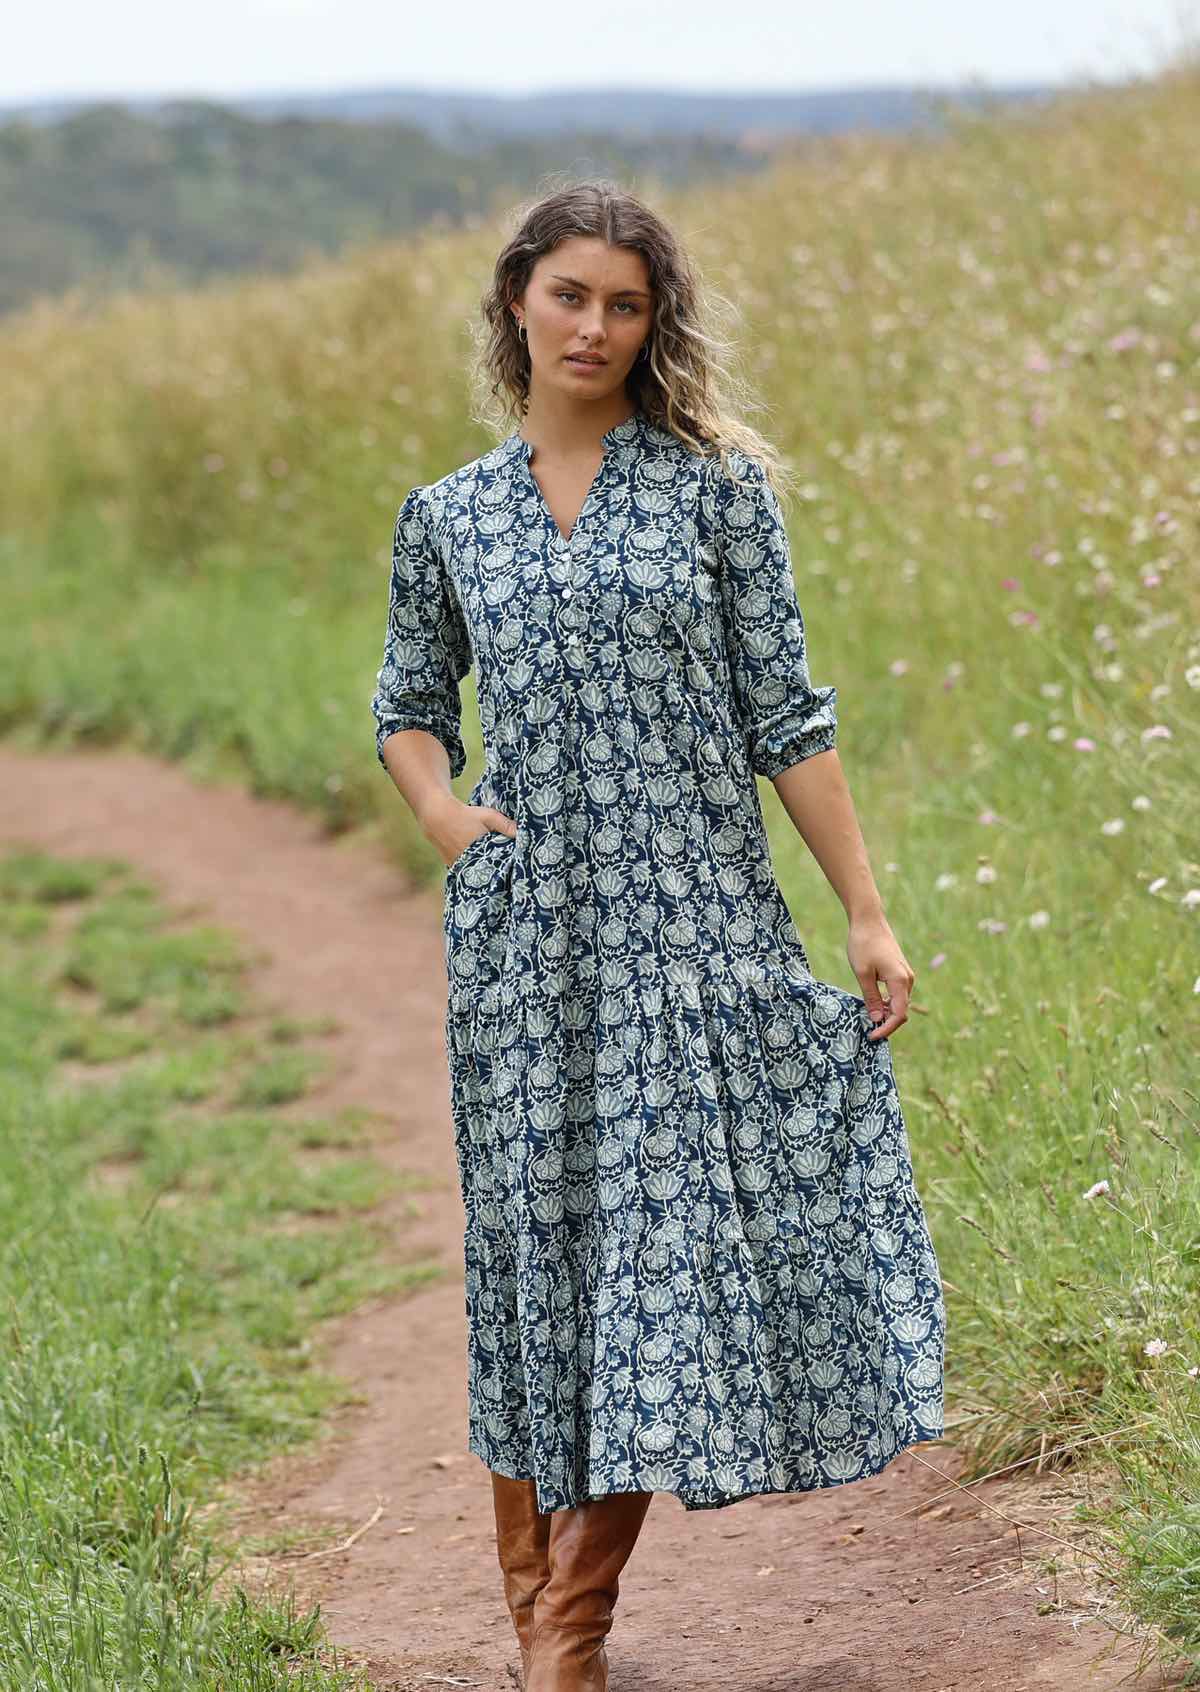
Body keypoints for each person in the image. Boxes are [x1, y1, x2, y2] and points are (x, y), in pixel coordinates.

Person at [370, 180, 946, 1692]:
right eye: (570, 295)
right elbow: (408, 714)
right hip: (525, 944)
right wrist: (442, 817)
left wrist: (867, 914)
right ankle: (528, 1597)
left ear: (653, 324)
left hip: (693, 931)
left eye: (625, 304)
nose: (596, 327)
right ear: (518, 301)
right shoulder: (451, 516)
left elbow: (788, 718)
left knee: (657, 1255)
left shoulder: (714, 494)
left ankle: (571, 1626)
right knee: (532, 1254)